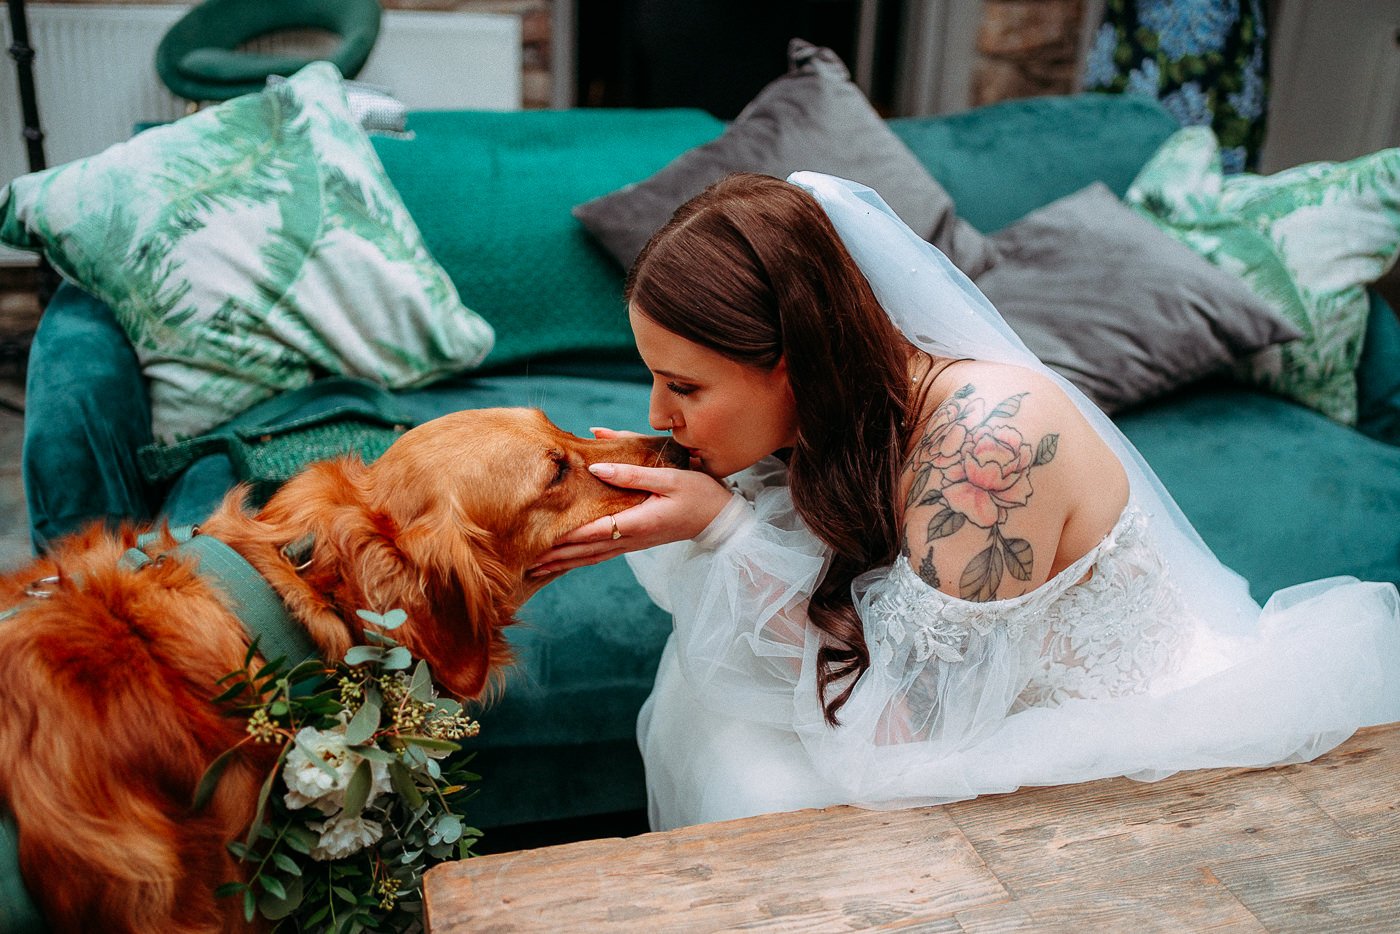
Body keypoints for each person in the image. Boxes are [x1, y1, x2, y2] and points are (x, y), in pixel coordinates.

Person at [529, 171, 1400, 831]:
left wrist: (722, 532)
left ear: (789, 361)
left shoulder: (989, 443)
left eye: (683, 384)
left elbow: (907, 741)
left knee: (766, 788)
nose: (656, 415)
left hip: (1111, 759)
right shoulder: (837, 413)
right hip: (940, 712)